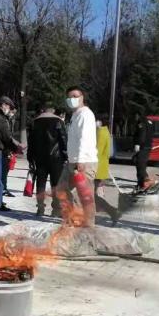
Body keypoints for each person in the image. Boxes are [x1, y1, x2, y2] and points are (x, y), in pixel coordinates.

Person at [60, 86, 99, 228]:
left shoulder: (85, 114)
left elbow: (85, 138)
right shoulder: (75, 115)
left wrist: (81, 160)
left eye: (75, 96)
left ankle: (87, 226)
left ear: (82, 97)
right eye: (69, 97)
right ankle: (74, 219)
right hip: (73, 161)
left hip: (84, 161)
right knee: (63, 189)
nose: (72, 99)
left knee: (83, 196)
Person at [27, 105, 67, 217]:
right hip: (56, 158)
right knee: (56, 184)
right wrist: (66, 156)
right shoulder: (58, 121)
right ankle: (56, 209)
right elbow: (63, 139)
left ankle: (40, 208)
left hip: (39, 158)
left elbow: (31, 142)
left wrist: (30, 158)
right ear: (53, 111)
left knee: (40, 183)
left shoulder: (35, 122)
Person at [94, 114, 120, 223]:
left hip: (96, 167)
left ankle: (112, 211)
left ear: (100, 121)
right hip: (101, 167)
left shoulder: (100, 132)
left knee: (90, 194)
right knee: (91, 193)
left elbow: (97, 151)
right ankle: (110, 211)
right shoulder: (105, 131)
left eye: (96, 120)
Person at [133, 112, 155, 190]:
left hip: (142, 147)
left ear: (138, 115)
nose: (135, 117)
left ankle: (144, 183)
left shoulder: (141, 123)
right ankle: (141, 183)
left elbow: (142, 133)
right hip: (148, 146)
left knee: (140, 165)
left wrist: (138, 144)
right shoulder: (150, 122)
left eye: (135, 116)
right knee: (142, 165)